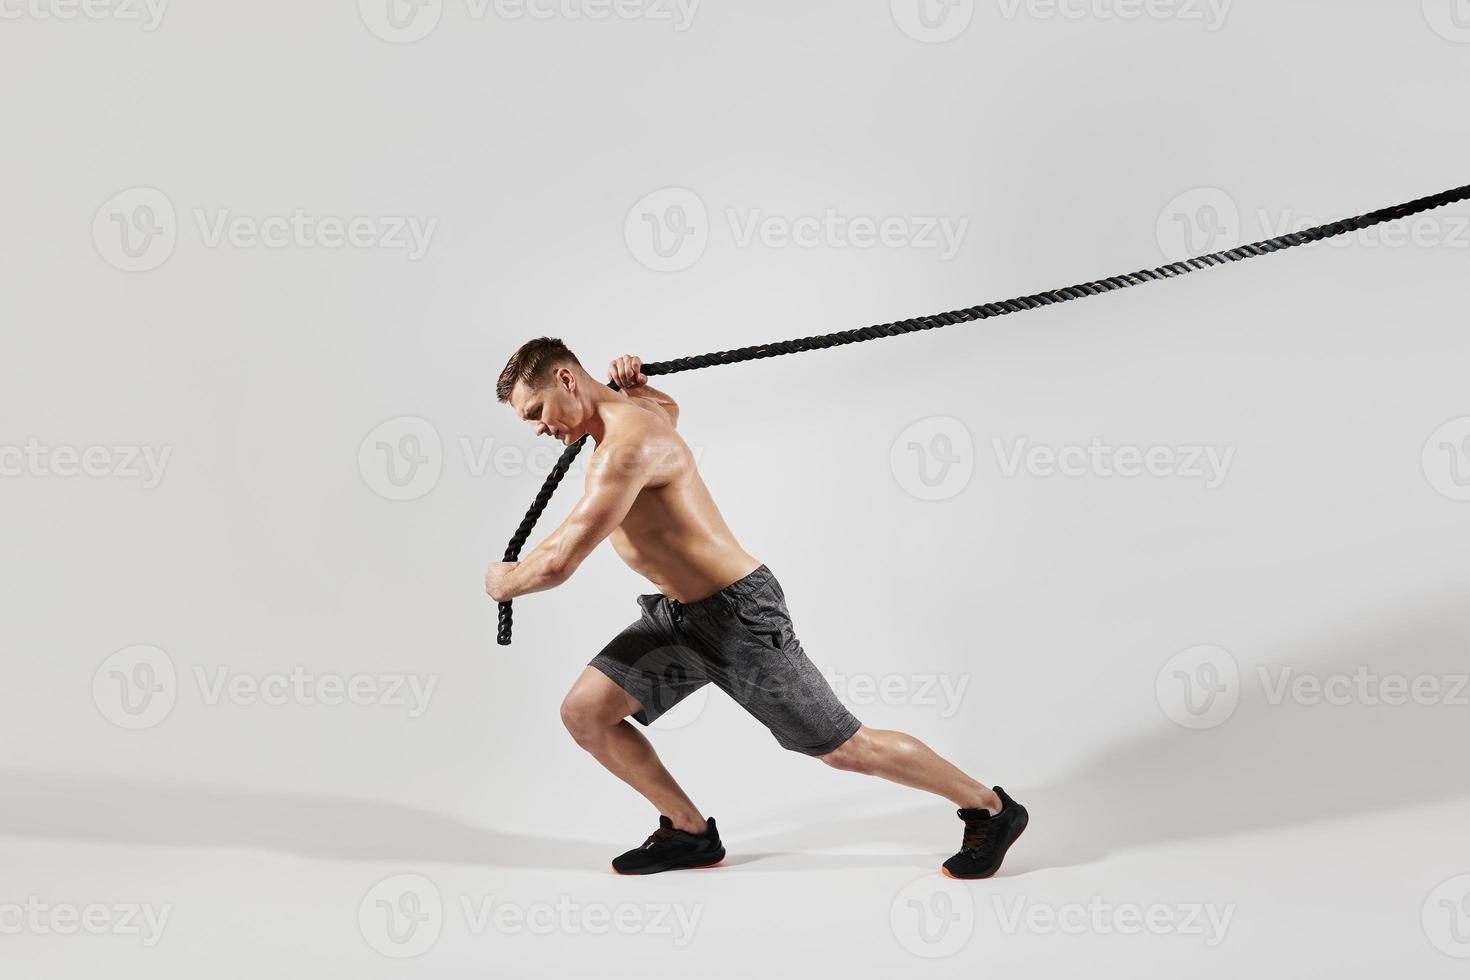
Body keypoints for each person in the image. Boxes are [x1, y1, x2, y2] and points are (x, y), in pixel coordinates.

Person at [485, 337, 1027, 878]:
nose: (538, 428)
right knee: (586, 713)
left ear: (565, 381)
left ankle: (990, 808)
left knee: (844, 748)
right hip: (678, 620)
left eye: (535, 412)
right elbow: (668, 410)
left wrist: (506, 582)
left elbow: (558, 562)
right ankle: (690, 833)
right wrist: (640, 387)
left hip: (736, 618)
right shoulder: (636, 415)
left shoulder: (627, 445)